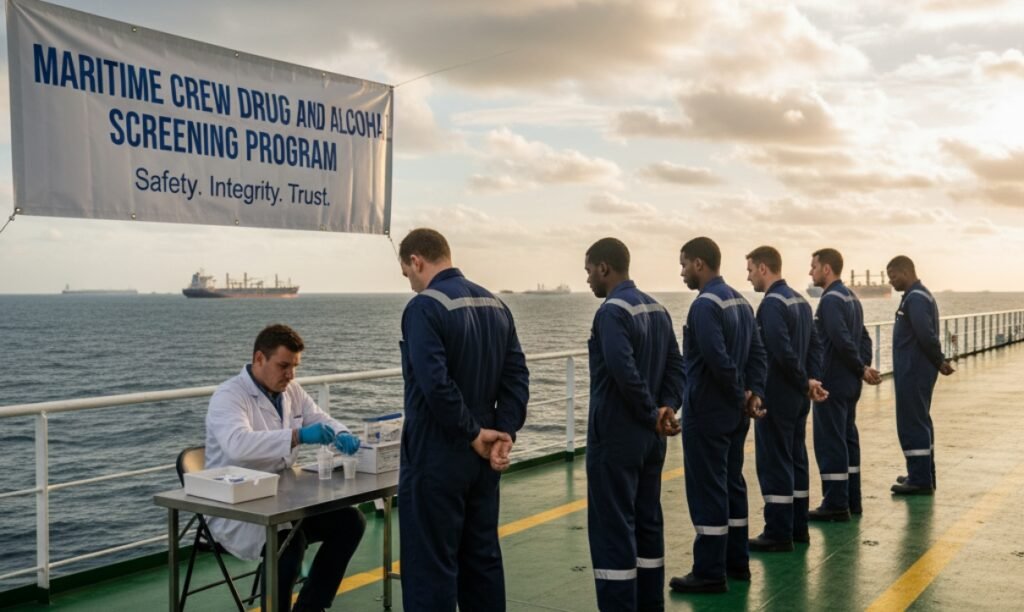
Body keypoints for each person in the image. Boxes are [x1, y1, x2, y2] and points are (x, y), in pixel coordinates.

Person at [397, 228, 530, 612]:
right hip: (484, 458)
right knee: (482, 559)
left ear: (416, 261)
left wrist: (472, 433)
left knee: (430, 567)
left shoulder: (424, 308)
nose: (410, 283)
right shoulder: (497, 305)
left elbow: (435, 384)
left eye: (407, 273)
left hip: (437, 455)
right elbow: (517, 376)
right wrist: (503, 431)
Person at [205, 324, 366, 612]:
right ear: (258, 359)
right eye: (283, 366)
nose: (290, 374)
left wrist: (341, 434)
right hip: (239, 507)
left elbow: (320, 418)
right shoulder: (229, 396)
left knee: (351, 522)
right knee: (289, 547)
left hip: (283, 500)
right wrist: (296, 436)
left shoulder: (291, 390)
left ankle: (310, 607)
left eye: (294, 367)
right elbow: (236, 444)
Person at [583, 237, 685, 611]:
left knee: (613, 530)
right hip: (651, 441)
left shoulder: (612, 312)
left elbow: (622, 370)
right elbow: (677, 365)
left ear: (605, 268)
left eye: (589, 271)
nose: (588, 280)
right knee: (647, 524)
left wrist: (649, 411)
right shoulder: (657, 309)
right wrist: (666, 407)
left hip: (616, 438)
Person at [670, 237, 767, 594]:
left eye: (683, 265)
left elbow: (716, 358)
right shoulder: (741, 302)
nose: (681, 272)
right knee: (732, 484)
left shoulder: (704, 306)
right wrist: (753, 392)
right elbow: (758, 353)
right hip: (736, 415)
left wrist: (739, 391)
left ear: (699, 263)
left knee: (708, 489)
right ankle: (736, 562)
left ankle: (709, 571)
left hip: (709, 412)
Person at [745, 246, 827, 552]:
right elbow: (815, 347)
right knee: (796, 458)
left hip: (777, 396)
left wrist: (803, 380)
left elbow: (779, 350)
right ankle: (798, 528)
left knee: (774, 461)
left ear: (764, 269)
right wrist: (811, 380)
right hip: (798, 398)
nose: (749, 276)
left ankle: (778, 532)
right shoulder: (802, 302)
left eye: (751, 269)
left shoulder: (772, 305)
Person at [808, 249, 881, 522]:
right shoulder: (852, 298)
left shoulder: (829, 301)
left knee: (831, 441)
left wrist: (860, 368)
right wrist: (861, 368)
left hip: (832, 383)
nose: (810, 272)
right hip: (849, 383)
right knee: (848, 438)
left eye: (813, 266)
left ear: (827, 269)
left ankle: (835, 503)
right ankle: (853, 500)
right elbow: (863, 338)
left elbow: (840, 340)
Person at [886, 255, 955, 495]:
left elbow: (925, 335)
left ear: (905, 272)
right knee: (920, 420)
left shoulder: (915, 298)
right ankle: (923, 472)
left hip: (913, 371)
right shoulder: (921, 295)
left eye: (893, 277)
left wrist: (939, 361)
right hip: (916, 370)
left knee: (911, 422)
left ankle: (920, 479)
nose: (891, 283)